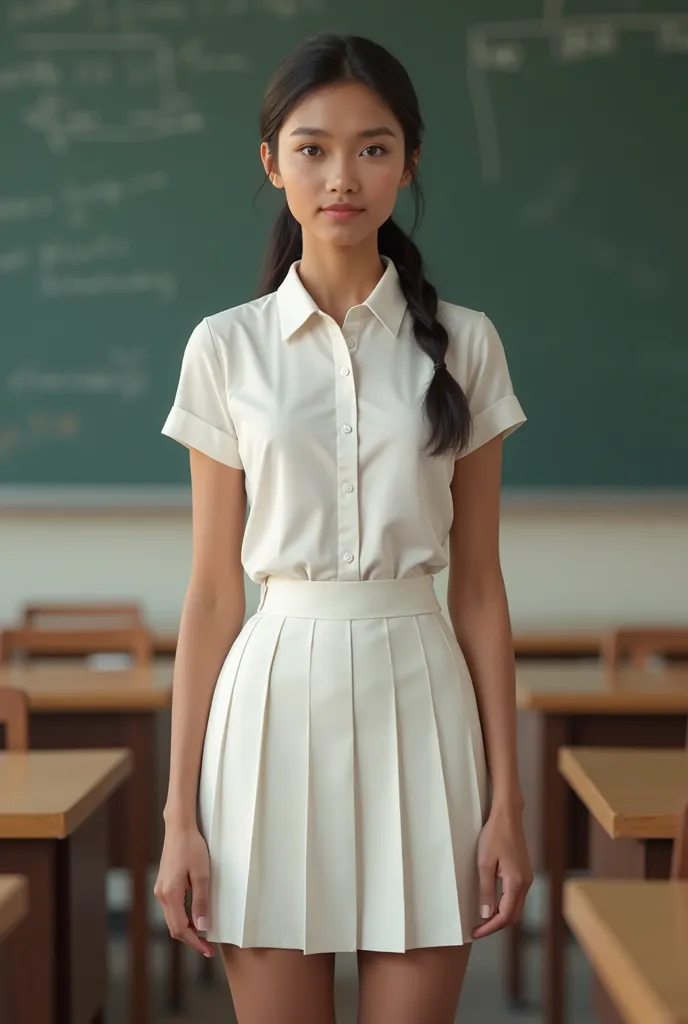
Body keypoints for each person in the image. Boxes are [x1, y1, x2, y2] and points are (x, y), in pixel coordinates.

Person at [155, 31, 533, 1024]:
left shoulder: (469, 342)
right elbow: (208, 591)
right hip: (271, 710)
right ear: (272, 162)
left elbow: (482, 587)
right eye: (312, 147)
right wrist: (177, 815)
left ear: (408, 163)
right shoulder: (224, 348)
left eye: (372, 147)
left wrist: (507, 799)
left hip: (425, 703)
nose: (342, 175)